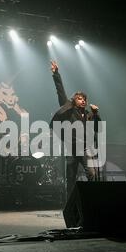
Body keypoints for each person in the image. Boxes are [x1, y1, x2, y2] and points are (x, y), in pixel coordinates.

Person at [49, 60, 101, 199]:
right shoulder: (69, 109)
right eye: (79, 98)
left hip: (85, 148)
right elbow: (60, 90)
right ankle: (70, 203)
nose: (83, 100)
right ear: (74, 100)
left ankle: (91, 200)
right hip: (71, 148)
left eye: (84, 99)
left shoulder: (89, 114)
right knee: (71, 178)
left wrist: (96, 113)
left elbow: (98, 128)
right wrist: (56, 74)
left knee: (92, 174)